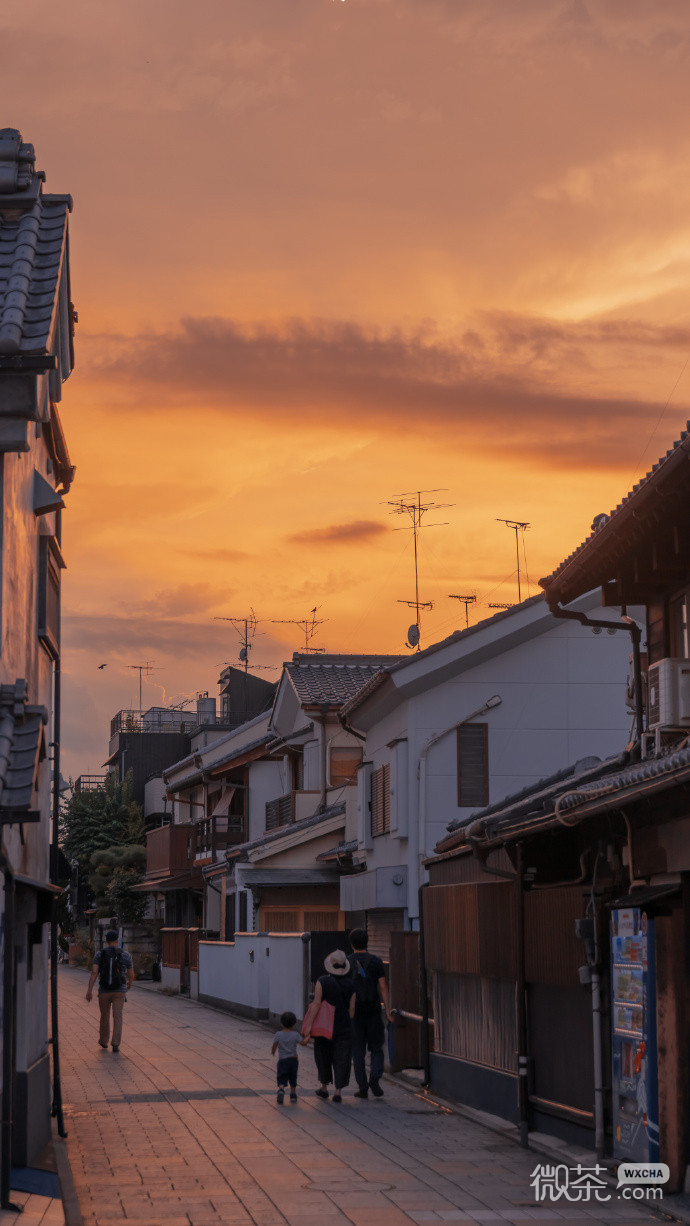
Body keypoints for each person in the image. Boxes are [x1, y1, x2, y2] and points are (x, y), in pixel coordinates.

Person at [303, 950, 355, 1103]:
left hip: (324, 1027)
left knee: (323, 1056)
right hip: (344, 1025)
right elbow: (352, 1010)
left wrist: (309, 1026)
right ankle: (338, 1091)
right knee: (342, 1058)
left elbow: (317, 1003)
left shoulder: (322, 981)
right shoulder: (351, 984)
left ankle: (324, 1087)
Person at [348, 928, 393, 1099]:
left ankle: (363, 1087)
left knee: (357, 1051)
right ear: (367, 942)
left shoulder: (347, 962)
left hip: (355, 1013)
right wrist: (388, 1010)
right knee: (376, 1048)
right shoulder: (376, 961)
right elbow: (383, 986)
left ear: (351, 943)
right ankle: (375, 1077)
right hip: (373, 1010)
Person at [85, 930, 135, 1052]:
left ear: (106, 941)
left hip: (104, 991)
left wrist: (89, 990)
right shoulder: (126, 955)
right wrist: (129, 984)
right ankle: (116, 1043)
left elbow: (94, 972)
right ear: (117, 940)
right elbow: (131, 974)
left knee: (104, 1016)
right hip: (119, 991)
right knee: (118, 1016)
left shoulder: (99, 954)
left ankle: (103, 1041)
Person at [271, 1010, 306, 1104]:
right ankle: (293, 1094)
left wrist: (273, 1051)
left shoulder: (278, 1034)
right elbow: (303, 1043)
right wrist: (307, 1038)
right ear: (294, 1024)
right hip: (293, 1059)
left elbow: (274, 1044)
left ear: (281, 1023)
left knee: (281, 1075)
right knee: (292, 1076)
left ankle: (281, 1089)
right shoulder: (295, 1035)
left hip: (282, 1060)